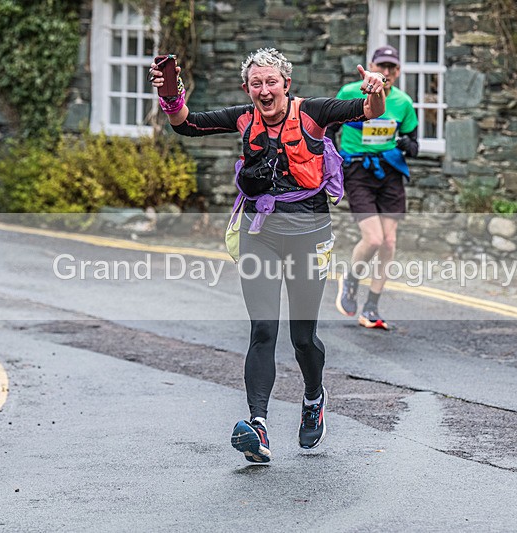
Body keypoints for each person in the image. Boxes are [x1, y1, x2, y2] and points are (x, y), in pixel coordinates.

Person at [149, 47, 386, 463]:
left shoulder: (313, 112)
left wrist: (376, 89)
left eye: (271, 82)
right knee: (262, 330)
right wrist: (171, 95)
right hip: (260, 234)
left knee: (302, 338)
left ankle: (313, 397)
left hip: (309, 235)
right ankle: (257, 425)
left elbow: (369, 110)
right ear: (247, 88)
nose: (264, 90)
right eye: (256, 83)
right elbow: (186, 125)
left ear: (286, 84)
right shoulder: (244, 118)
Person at [329, 45, 418, 331]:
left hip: (389, 172)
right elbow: (329, 129)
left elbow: (413, 143)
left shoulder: (403, 102)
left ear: (398, 71)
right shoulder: (349, 93)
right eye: (382, 66)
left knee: (389, 242)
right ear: (371, 66)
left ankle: (371, 307)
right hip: (358, 171)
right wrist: (332, 160)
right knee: (374, 239)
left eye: (392, 67)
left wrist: (407, 144)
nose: (386, 72)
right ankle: (351, 278)